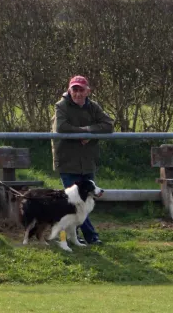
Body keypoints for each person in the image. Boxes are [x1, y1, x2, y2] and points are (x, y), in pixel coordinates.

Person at [51, 75, 114, 245]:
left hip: (87, 161)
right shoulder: (61, 106)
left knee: (84, 203)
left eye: (81, 90)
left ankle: (74, 237)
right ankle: (89, 236)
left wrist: (88, 132)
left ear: (88, 91)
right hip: (67, 161)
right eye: (75, 89)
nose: (77, 93)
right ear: (69, 90)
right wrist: (81, 134)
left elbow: (109, 125)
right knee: (74, 203)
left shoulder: (93, 107)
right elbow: (61, 127)